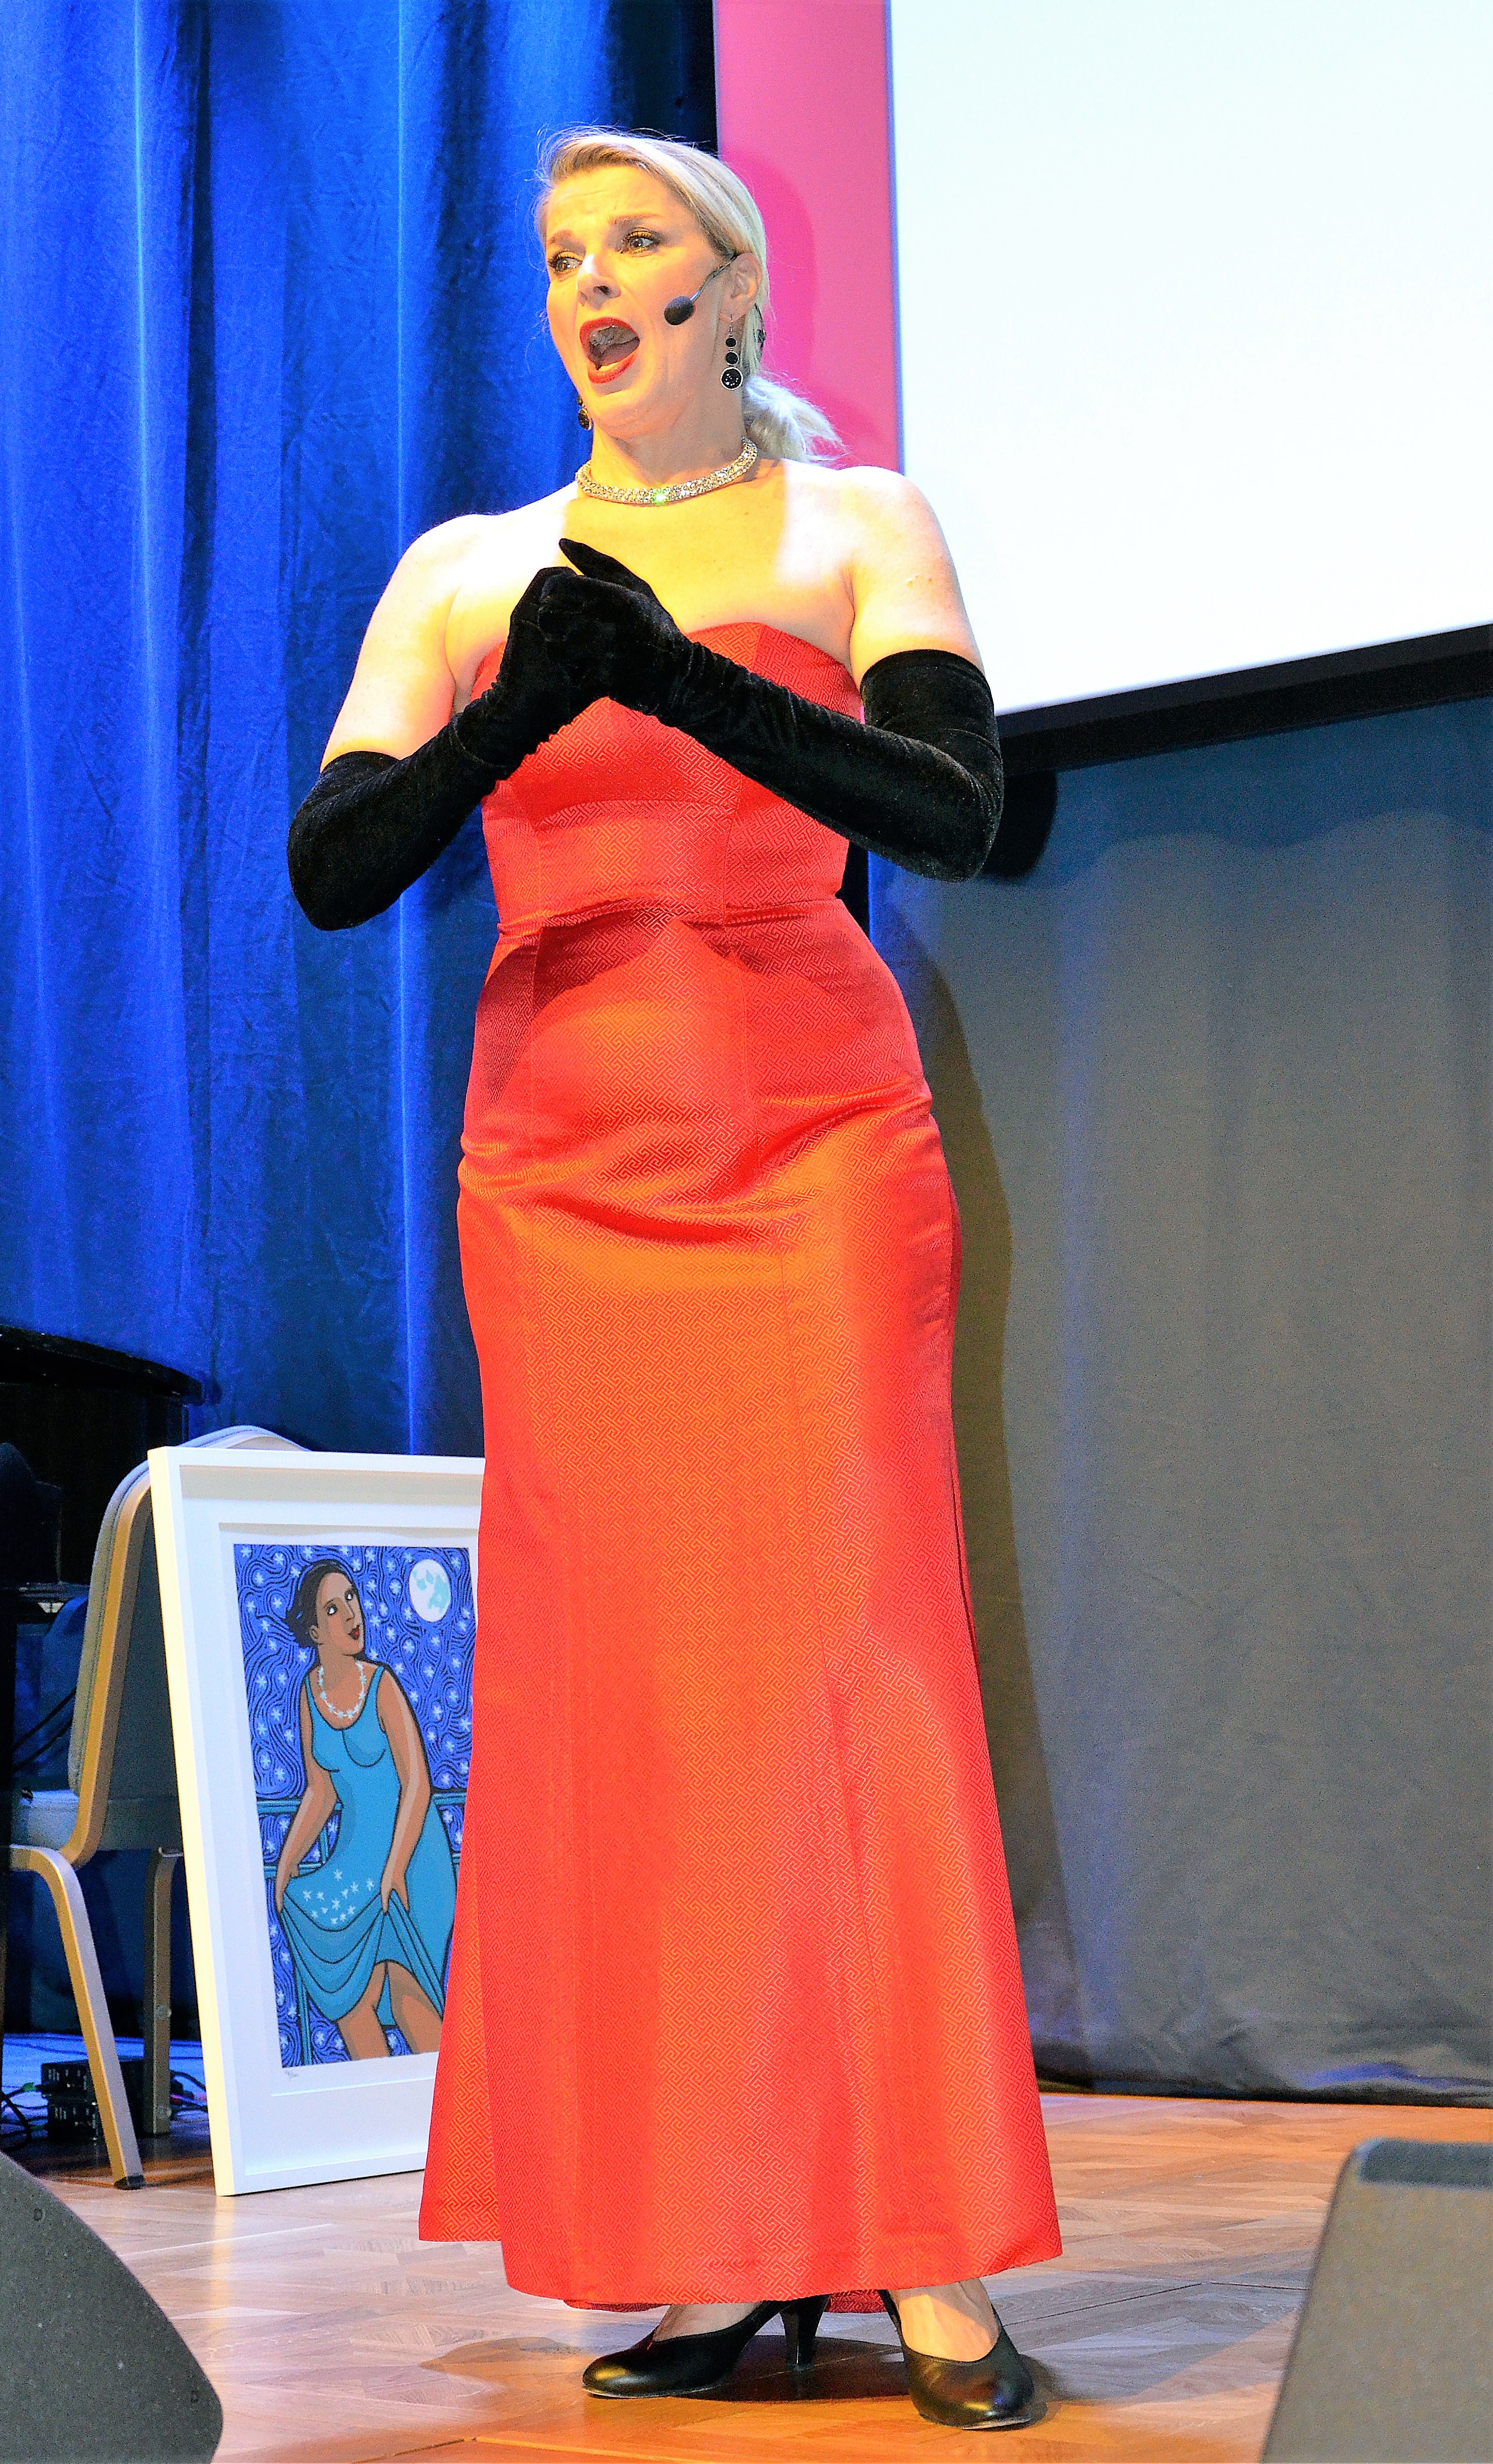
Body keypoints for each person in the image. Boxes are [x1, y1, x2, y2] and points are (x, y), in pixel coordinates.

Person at [288, 128, 1060, 2432]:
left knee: (849, 1662)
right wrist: (526, 701)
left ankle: (922, 2243)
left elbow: (956, 812)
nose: (590, 283)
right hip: (559, 1163)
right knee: (638, 1701)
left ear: (729, 291)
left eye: (634, 244)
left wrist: (677, 680)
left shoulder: (857, 524)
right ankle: (722, 2239)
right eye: (561, 257)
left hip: (809, 1143)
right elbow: (336, 865)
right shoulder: (464, 569)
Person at [272, 1558, 457, 2060]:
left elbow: (417, 1785)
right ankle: (379, 2100)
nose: (352, 1614)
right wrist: (288, 1862)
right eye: (333, 1609)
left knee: (407, 1994)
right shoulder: (309, 1694)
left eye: (351, 1598)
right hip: (356, 1862)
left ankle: (446, 2105)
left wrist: (394, 1869)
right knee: (352, 2004)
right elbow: (320, 1792)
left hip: (412, 1854)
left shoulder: (382, 1685)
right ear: (315, 1631)